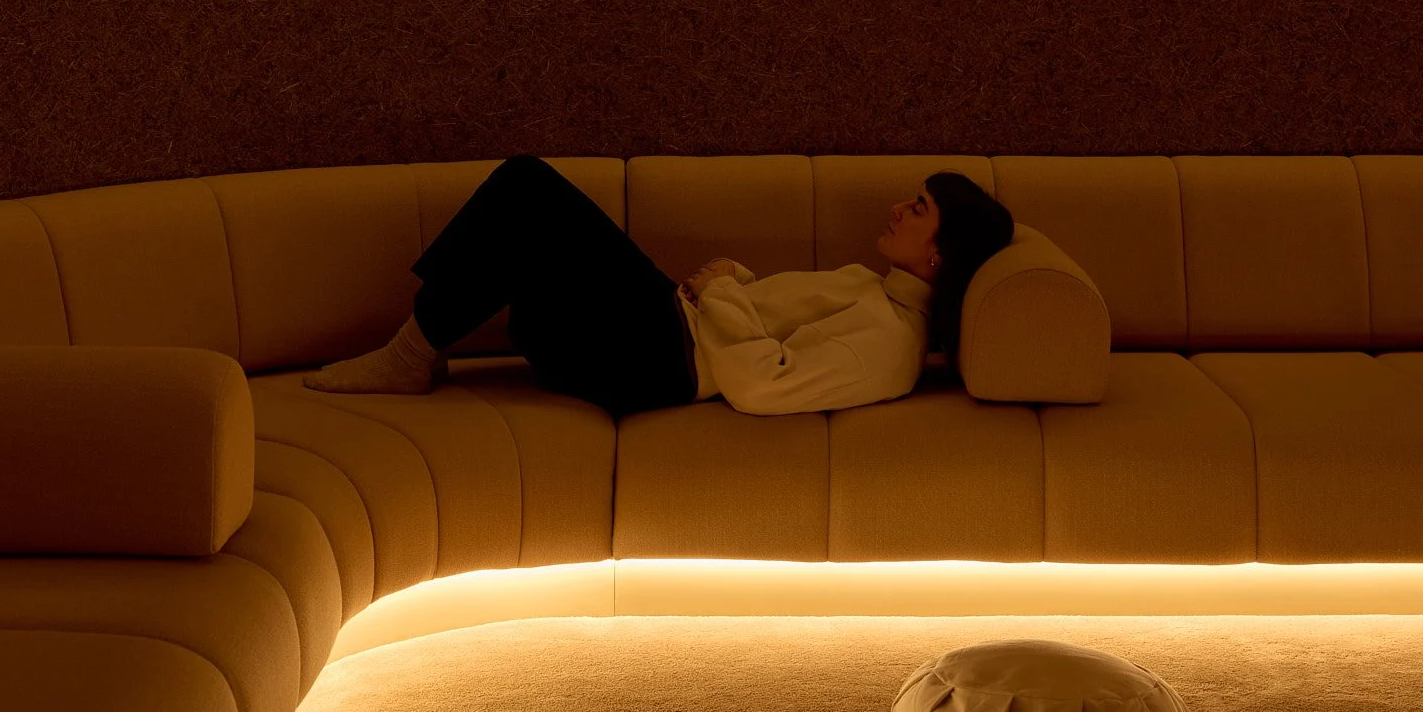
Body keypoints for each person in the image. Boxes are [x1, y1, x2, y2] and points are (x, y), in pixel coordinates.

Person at [303, 156, 1013, 421]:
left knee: (528, 189)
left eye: (917, 211)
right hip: (663, 326)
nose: (897, 208)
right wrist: (731, 282)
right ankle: (417, 347)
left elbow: (766, 386)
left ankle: (408, 353)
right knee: (527, 203)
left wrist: (721, 295)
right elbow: (771, 320)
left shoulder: (889, 344)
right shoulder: (871, 288)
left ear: (938, 262)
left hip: (659, 361)